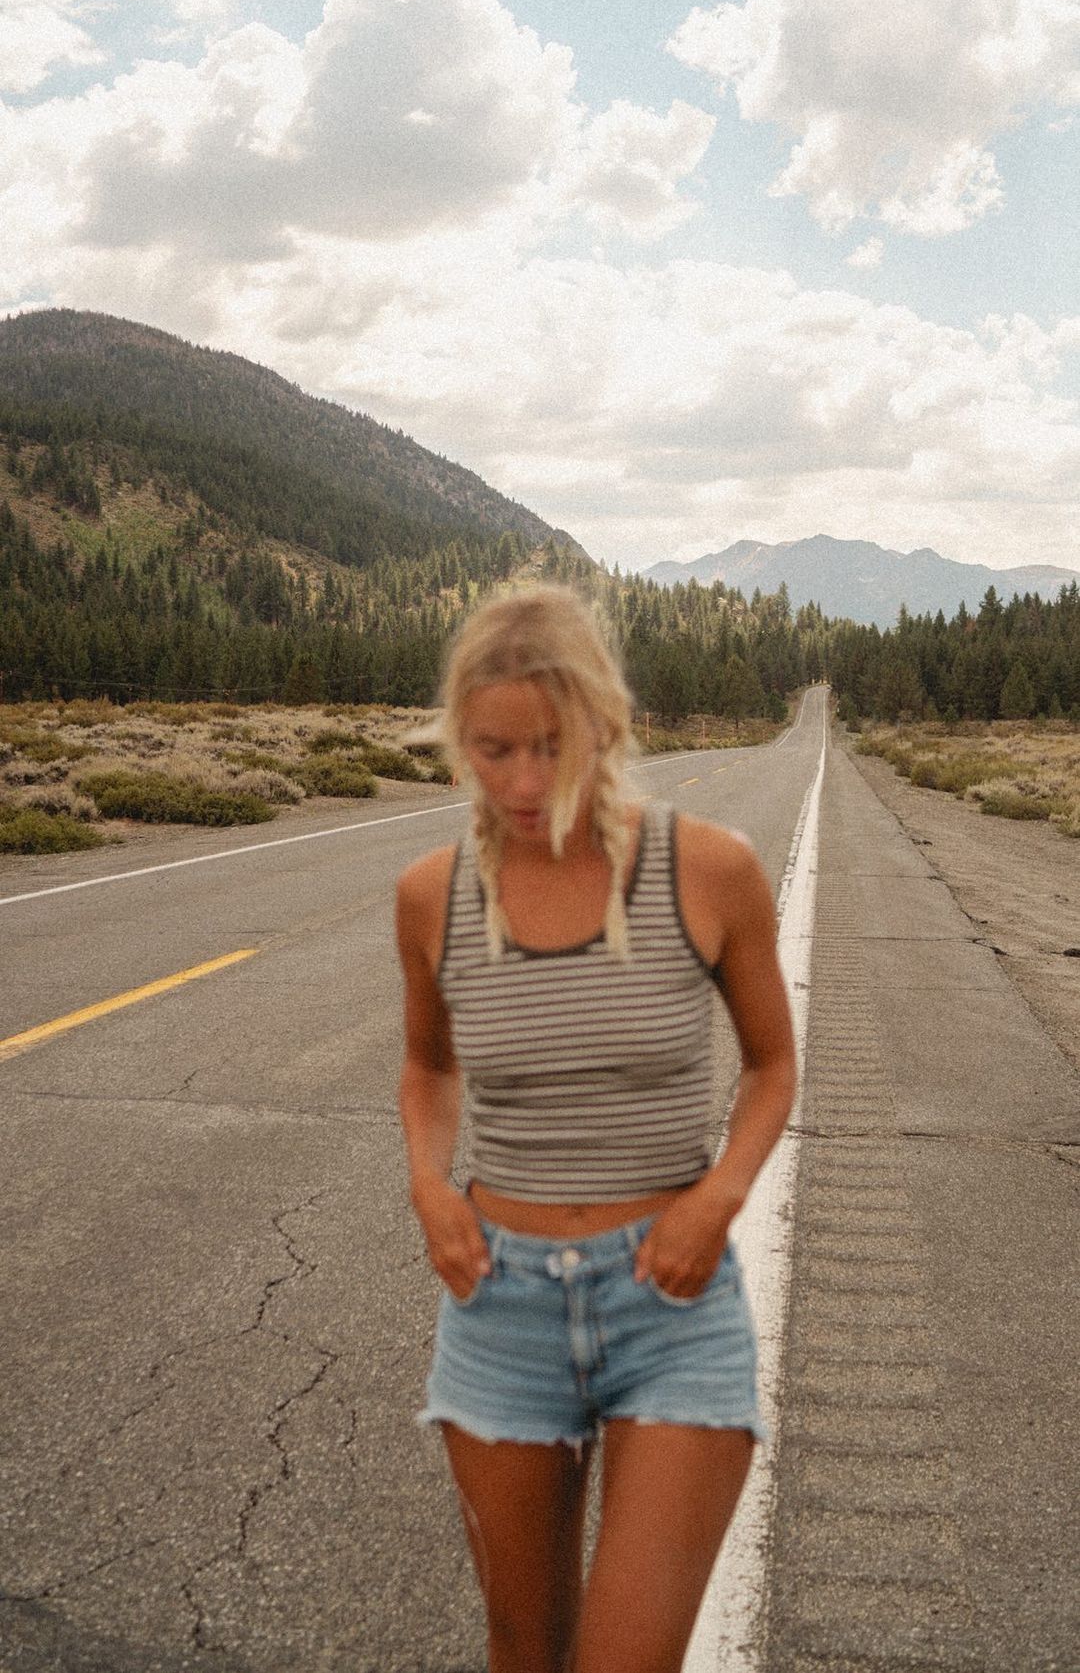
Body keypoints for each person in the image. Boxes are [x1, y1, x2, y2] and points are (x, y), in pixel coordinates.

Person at [396, 585, 796, 1673]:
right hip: (501, 1303)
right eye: (495, 750)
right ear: (459, 740)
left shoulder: (708, 869)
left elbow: (772, 1066)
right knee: (524, 1649)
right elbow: (429, 1066)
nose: (526, 783)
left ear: (605, 726)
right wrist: (429, 1183)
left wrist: (717, 1200)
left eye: (553, 747)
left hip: (670, 1300)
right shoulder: (432, 896)